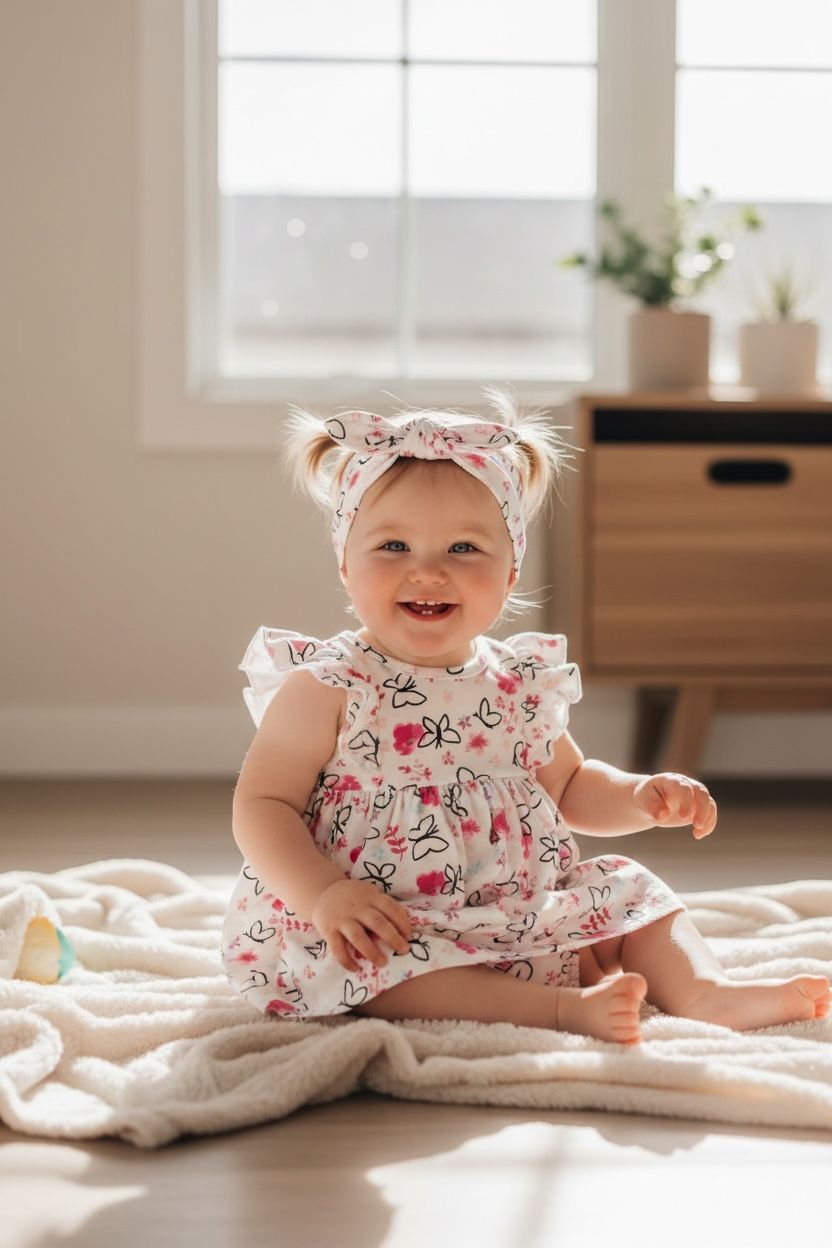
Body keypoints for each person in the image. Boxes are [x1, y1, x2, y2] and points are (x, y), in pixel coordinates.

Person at [221, 390, 830, 1045]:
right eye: (393, 545)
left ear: (510, 573)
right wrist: (323, 896)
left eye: (463, 549)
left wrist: (640, 796)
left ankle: (705, 992)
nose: (426, 571)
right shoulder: (329, 685)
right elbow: (263, 806)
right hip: (386, 919)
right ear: (346, 565)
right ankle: (562, 1013)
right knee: (391, 972)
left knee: (629, 888)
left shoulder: (516, 683)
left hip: (518, 912)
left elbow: (569, 787)